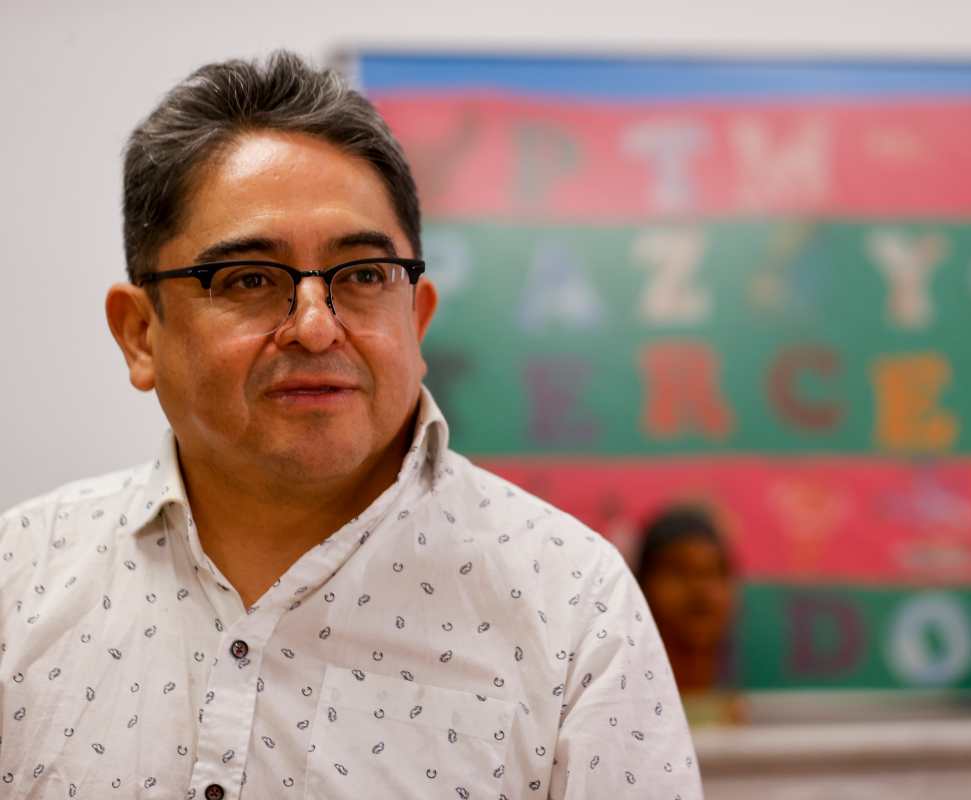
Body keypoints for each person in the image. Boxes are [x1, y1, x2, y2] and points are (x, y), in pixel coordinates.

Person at [0, 52, 701, 800]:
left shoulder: (574, 605)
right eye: (249, 279)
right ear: (141, 334)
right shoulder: (20, 577)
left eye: (364, 276)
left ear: (416, 320)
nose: (314, 327)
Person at [634, 507, 741, 726]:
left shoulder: (750, 719)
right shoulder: (618, 719)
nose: (700, 589)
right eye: (678, 571)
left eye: (713, 572)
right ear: (641, 587)